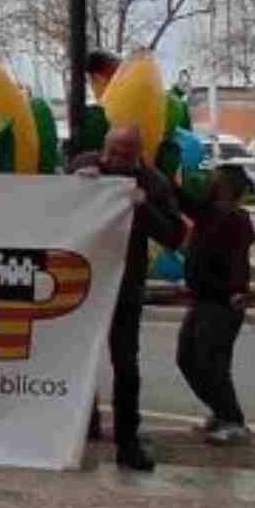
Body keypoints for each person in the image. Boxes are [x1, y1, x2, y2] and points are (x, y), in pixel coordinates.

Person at [71, 125, 185, 471]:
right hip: (82, 282)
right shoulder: (85, 165)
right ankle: (78, 426)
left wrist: (144, 207)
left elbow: (174, 234)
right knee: (75, 359)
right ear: (103, 146)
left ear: (138, 152)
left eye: (125, 153)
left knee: (126, 366)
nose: (116, 159)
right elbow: (54, 207)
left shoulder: (153, 182)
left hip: (125, 284)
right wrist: (74, 185)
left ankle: (128, 441)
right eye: (112, 152)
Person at [174, 164, 255, 446]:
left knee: (212, 362)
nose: (208, 183)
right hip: (201, 299)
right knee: (186, 357)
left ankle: (233, 419)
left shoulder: (237, 220)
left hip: (222, 301)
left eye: (215, 180)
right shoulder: (206, 214)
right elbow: (178, 197)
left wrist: (237, 289)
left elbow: (238, 259)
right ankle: (221, 412)